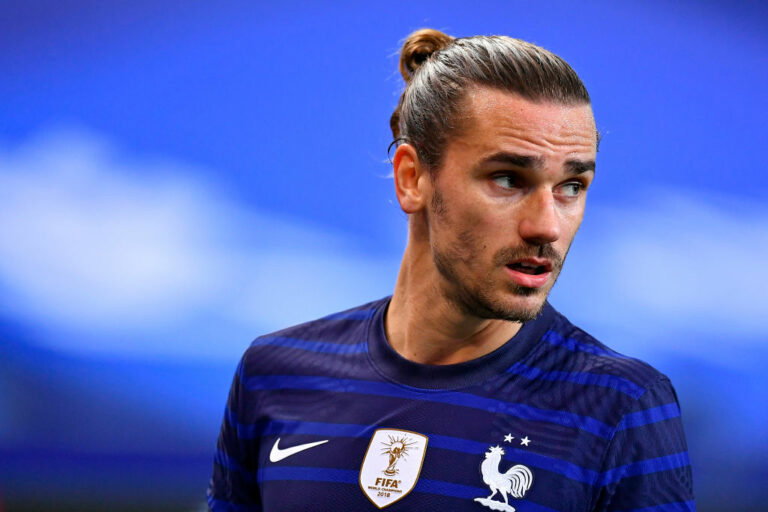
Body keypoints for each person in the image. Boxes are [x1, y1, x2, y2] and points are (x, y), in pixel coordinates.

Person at [207, 29, 695, 512]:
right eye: (508, 179)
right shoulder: (273, 373)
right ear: (412, 178)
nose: (547, 226)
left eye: (571, 185)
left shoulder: (622, 407)